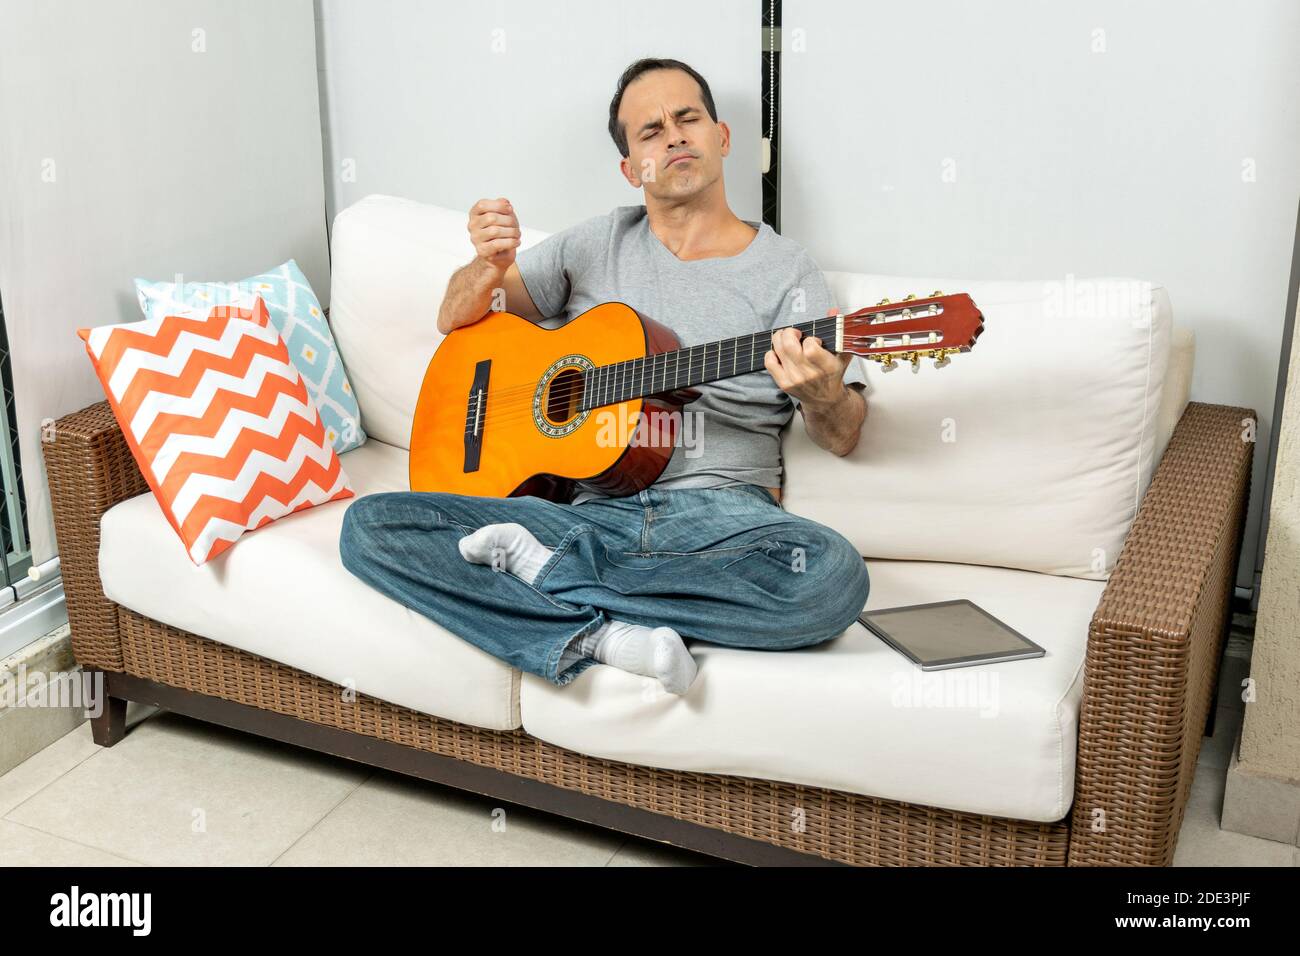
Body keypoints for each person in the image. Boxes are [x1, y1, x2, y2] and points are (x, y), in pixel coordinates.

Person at [340, 57, 870, 696]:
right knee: (369, 528)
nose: (674, 136)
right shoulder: (593, 244)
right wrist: (485, 265)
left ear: (721, 137)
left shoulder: (788, 272)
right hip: (583, 513)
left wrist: (826, 396)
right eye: (650, 131)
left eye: (688, 118)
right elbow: (456, 317)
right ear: (630, 168)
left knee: (833, 577)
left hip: (720, 518)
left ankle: (557, 592)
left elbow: (843, 436)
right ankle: (604, 632)